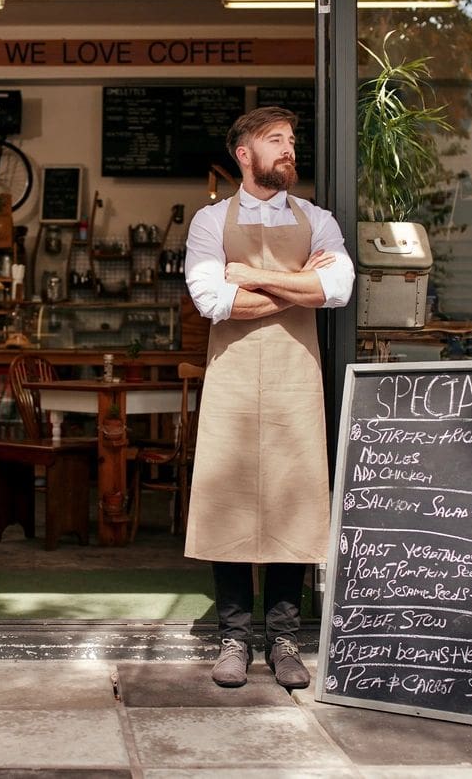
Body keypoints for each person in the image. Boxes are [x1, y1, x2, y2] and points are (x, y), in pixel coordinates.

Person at [184, 106, 354, 689]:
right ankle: (233, 635)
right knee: (228, 501)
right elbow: (213, 302)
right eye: (274, 140)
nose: (288, 148)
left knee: (294, 498)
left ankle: (284, 637)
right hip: (231, 376)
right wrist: (299, 286)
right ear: (244, 155)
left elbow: (338, 287)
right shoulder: (208, 222)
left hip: (294, 377)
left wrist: (251, 278)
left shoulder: (319, 219)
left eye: (291, 139)